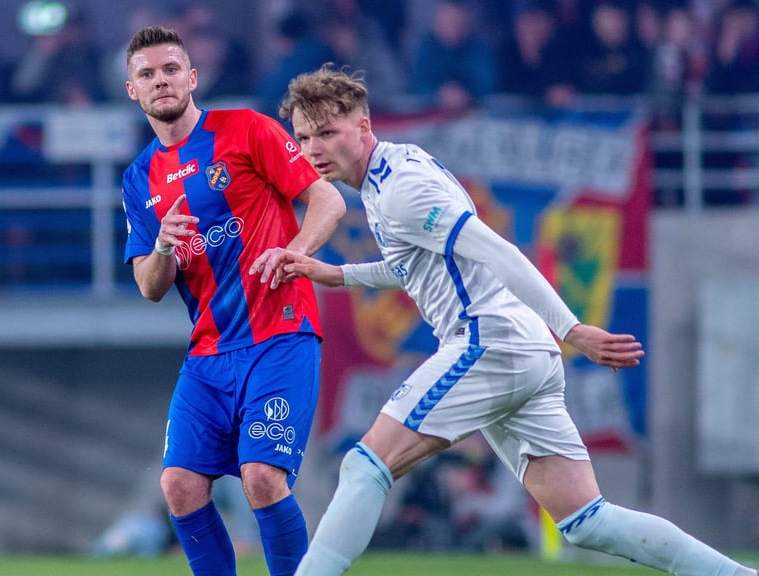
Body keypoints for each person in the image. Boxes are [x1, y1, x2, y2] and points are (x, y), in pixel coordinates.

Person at [271, 64, 758, 576]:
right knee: (588, 521)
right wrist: (338, 275)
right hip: (521, 350)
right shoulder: (387, 175)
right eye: (303, 138)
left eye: (327, 133)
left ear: (363, 126)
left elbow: (498, 250)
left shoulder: (401, 189)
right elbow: (412, 264)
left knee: (364, 464)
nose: (313, 149)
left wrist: (572, 329)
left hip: (489, 342)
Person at [120, 26, 346, 576]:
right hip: (208, 353)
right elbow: (149, 286)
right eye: (147, 74)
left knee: (262, 478)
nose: (161, 80)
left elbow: (328, 199)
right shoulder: (138, 177)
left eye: (171, 69)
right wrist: (163, 247)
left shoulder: (245, 128)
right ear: (133, 90)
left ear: (192, 78)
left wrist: (295, 251)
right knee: (178, 485)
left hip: (279, 336)